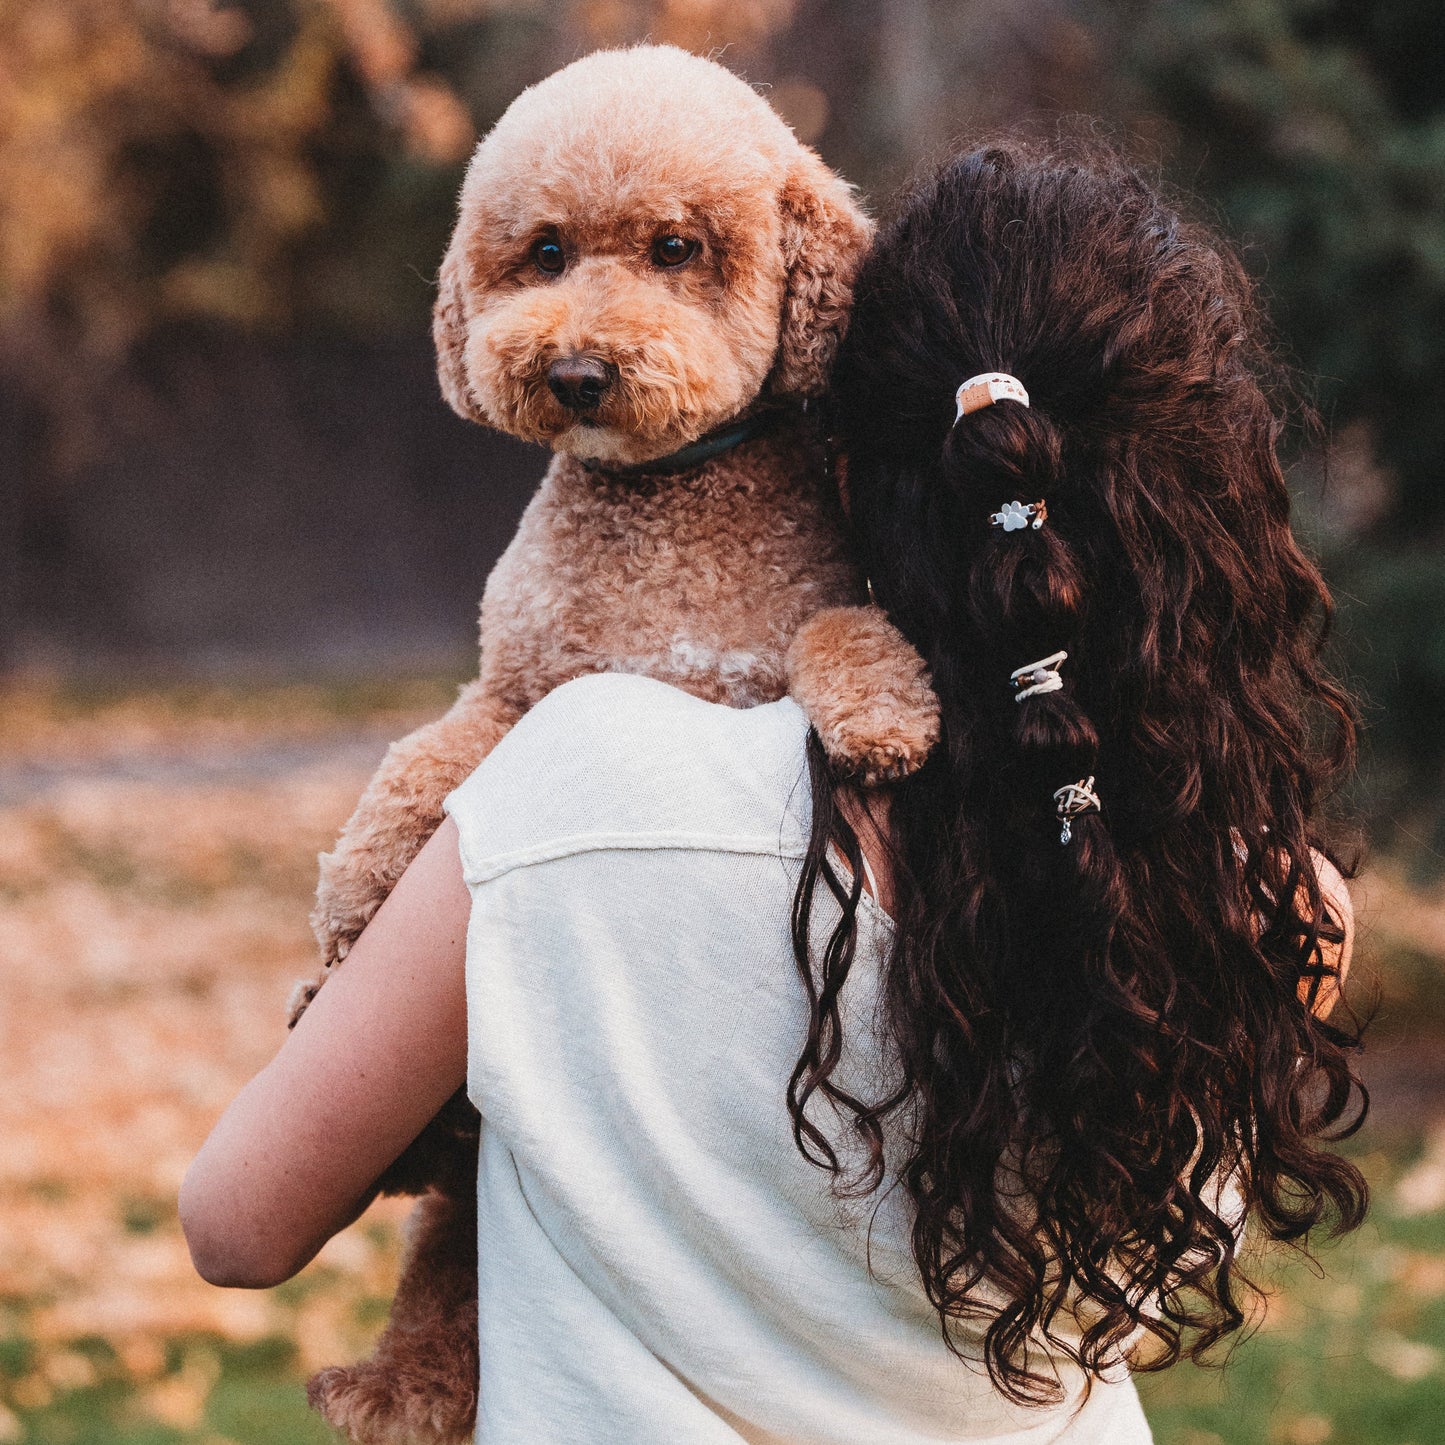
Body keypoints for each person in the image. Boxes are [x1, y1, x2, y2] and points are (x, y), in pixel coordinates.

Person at [181, 137, 1366, 1442]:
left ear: (841, 463)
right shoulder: (1266, 905)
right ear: (1202, 515)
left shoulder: (583, 781)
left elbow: (236, 1224)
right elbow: (1129, 1302)